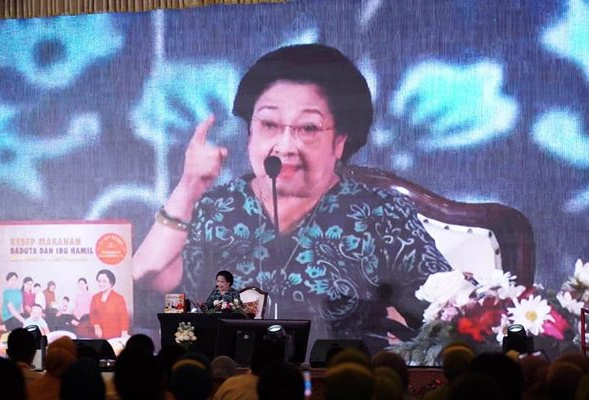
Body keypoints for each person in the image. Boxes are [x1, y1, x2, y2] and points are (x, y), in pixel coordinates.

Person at [133, 44, 451, 351]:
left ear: (340, 141)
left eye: (308, 128)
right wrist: (189, 187)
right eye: (269, 124)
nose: (285, 146)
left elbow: (450, 312)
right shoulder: (218, 208)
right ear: (250, 132)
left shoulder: (380, 213)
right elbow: (144, 280)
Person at [88, 269, 130, 339]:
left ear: (111, 283)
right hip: (98, 335)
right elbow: (92, 314)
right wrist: (96, 326)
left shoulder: (119, 298)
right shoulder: (95, 297)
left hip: (115, 335)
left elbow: (124, 318)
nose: (101, 284)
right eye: (99, 281)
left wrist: (124, 333)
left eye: (104, 281)